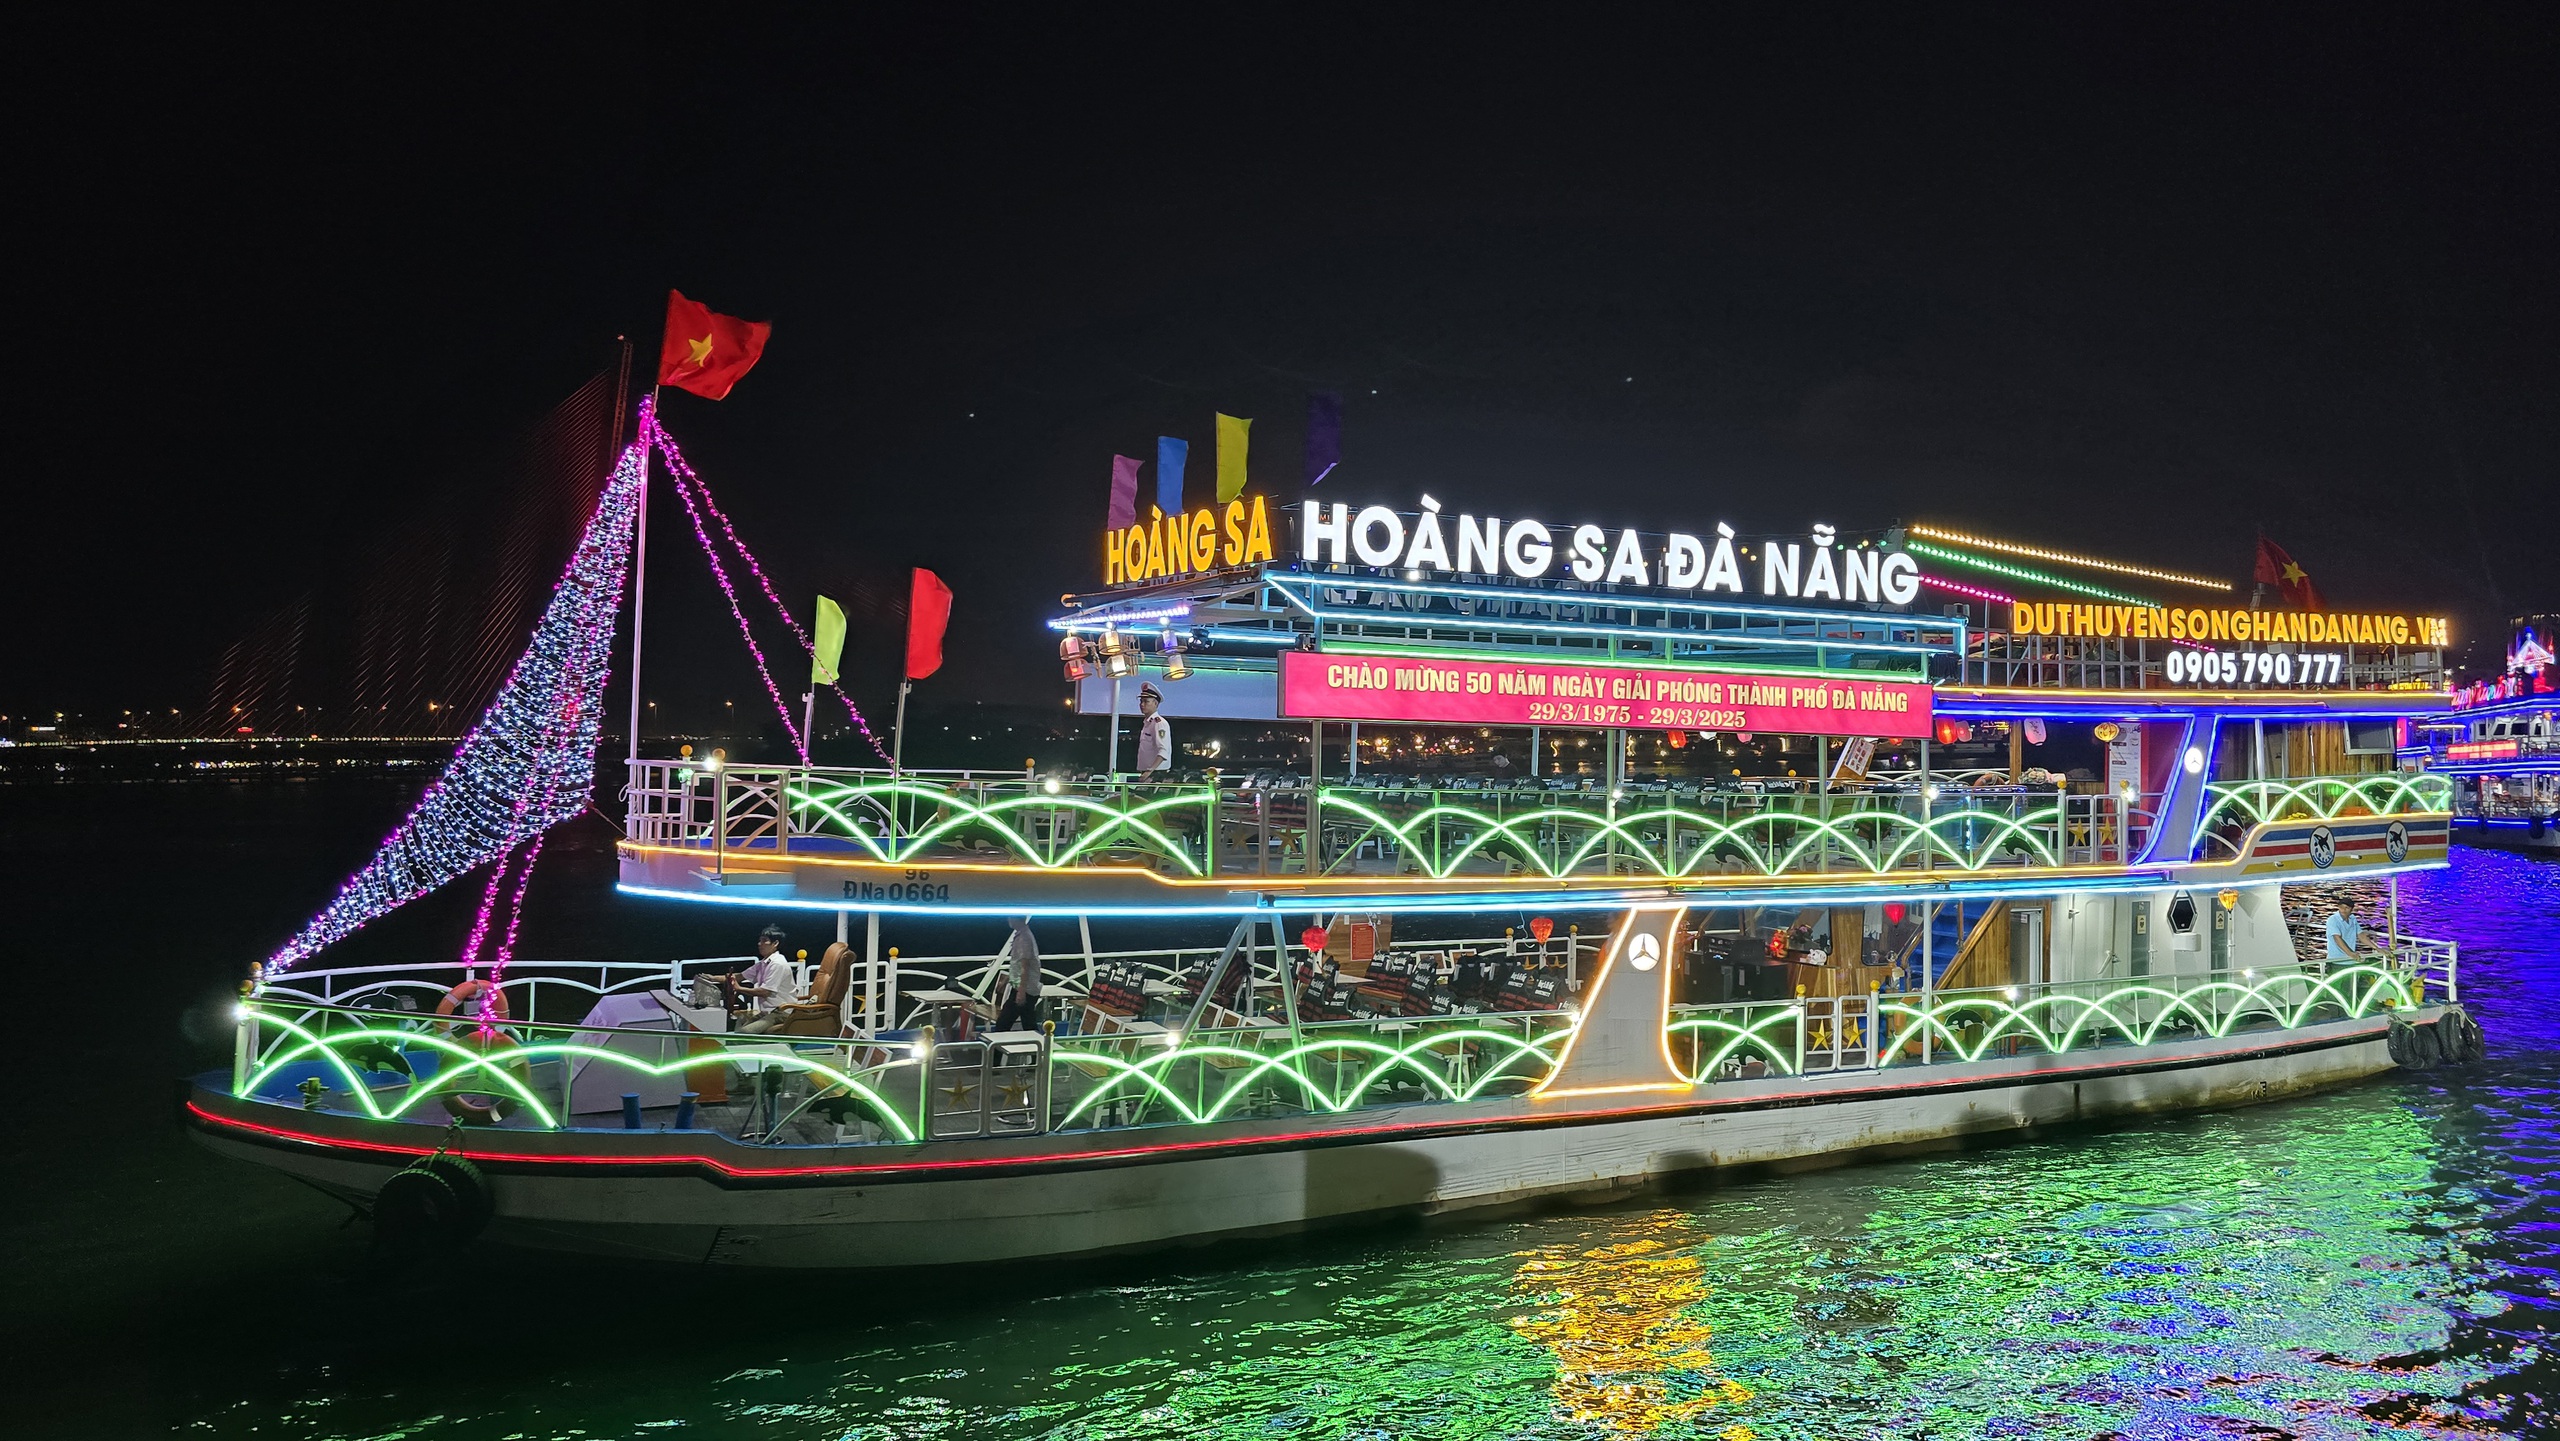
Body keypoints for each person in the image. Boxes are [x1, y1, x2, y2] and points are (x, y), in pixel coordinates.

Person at [734, 924, 804, 1033]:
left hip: (781, 1012)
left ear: (775, 943)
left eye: (764, 941)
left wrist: (739, 989)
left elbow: (765, 992)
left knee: (744, 1032)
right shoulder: (763, 963)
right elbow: (739, 976)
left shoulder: (777, 964)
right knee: (740, 1020)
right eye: (759, 941)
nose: (759, 944)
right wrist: (711, 978)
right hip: (767, 1011)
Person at [992, 916, 1044, 1032]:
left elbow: (1024, 966)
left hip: (1024, 989)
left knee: (1003, 1023)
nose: (1008, 920)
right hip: (1024, 988)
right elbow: (1018, 964)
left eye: (1010, 918)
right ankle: (1037, 1047)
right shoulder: (1023, 935)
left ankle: (997, 1049)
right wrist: (1007, 981)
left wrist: (1021, 992)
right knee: (1028, 1023)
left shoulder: (1024, 938)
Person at [1134, 682, 1173, 777]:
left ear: (1155, 703)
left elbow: (1163, 751)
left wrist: (1149, 771)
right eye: (1141, 701)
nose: (1142, 704)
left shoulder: (1159, 723)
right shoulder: (1148, 723)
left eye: (1146, 701)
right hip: (1148, 772)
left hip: (1156, 773)